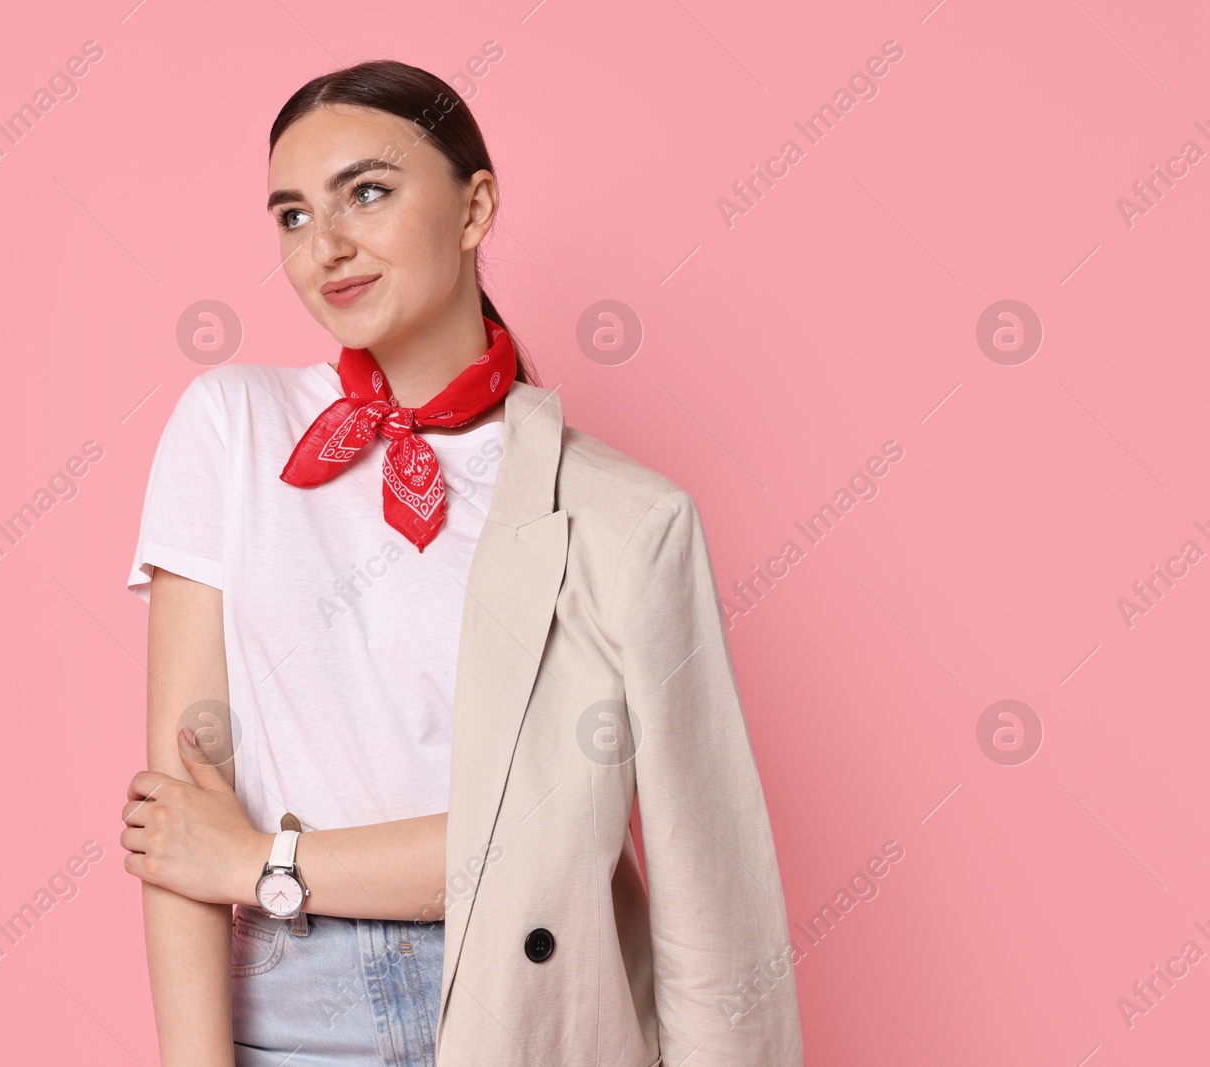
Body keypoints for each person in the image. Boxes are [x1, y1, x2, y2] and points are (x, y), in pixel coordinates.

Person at [121, 59, 803, 1067]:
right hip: (291, 1016)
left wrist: (263, 858)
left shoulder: (622, 516)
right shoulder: (231, 429)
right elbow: (180, 821)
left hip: (541, 1014)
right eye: (293, 215)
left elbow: (677, 884)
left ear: (475, 204)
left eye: (368, 191)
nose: (328, 246)